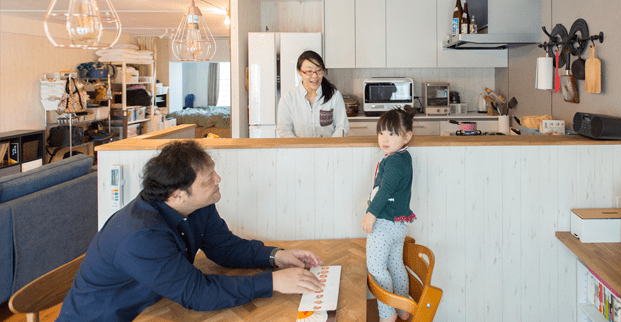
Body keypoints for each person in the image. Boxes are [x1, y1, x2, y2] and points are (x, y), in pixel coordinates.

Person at [57, 140, 324, 322]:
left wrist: (276, 256)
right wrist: (274, 282)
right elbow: (197, 293)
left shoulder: (198, 205)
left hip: (152, 310)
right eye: (209, 178)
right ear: (177, 194)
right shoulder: (140, 236)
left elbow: (225, 247)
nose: (218, 180)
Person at [361, 107, 417, 322]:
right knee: (395, 265)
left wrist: (371, 213)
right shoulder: (403, 157)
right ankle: (403, 308)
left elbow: (385, 190)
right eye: (381, 133)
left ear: (406, 137)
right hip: (399, 223)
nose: (384, 138)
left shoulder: (393, 161)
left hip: (384, 222)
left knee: (376, 267)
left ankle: (388, 313)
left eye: (391, 134)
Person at [277, 50, 349, 138]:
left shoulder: (334, 96)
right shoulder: (287, 99)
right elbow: (284, 130)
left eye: (319, 70)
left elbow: (342, 127)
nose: (315, 76)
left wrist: (329, 147)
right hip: (299, 150)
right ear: (299, 72)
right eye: (309, 71)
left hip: (328, 150)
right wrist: (301, 149)